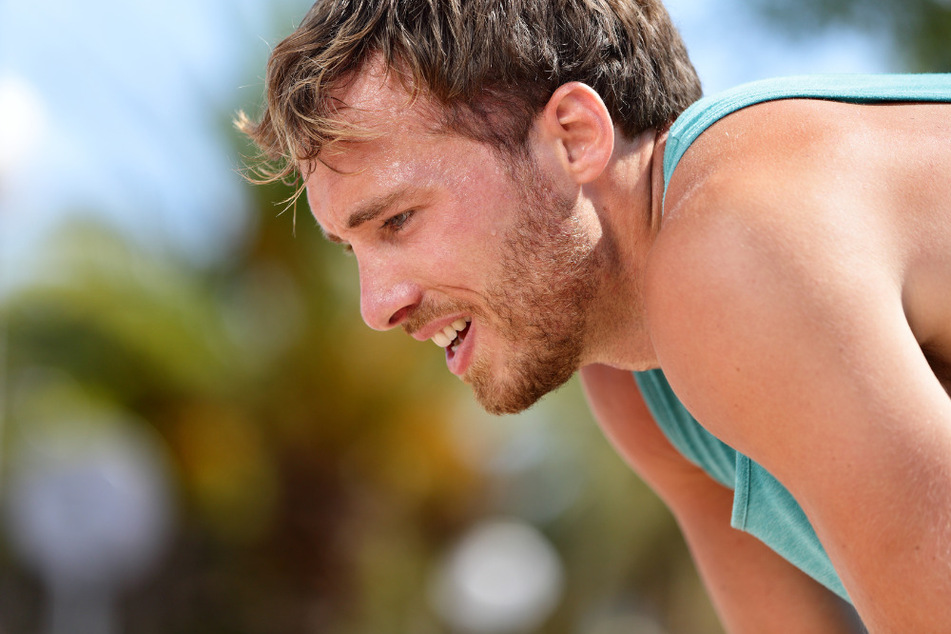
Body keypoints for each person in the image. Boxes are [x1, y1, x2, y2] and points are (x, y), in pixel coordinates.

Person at [237, 1, 951, 631]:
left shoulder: (735, 245)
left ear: (573, 138)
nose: (375, 306)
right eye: (351, 250)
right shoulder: (636, 381)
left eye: (397, 220)